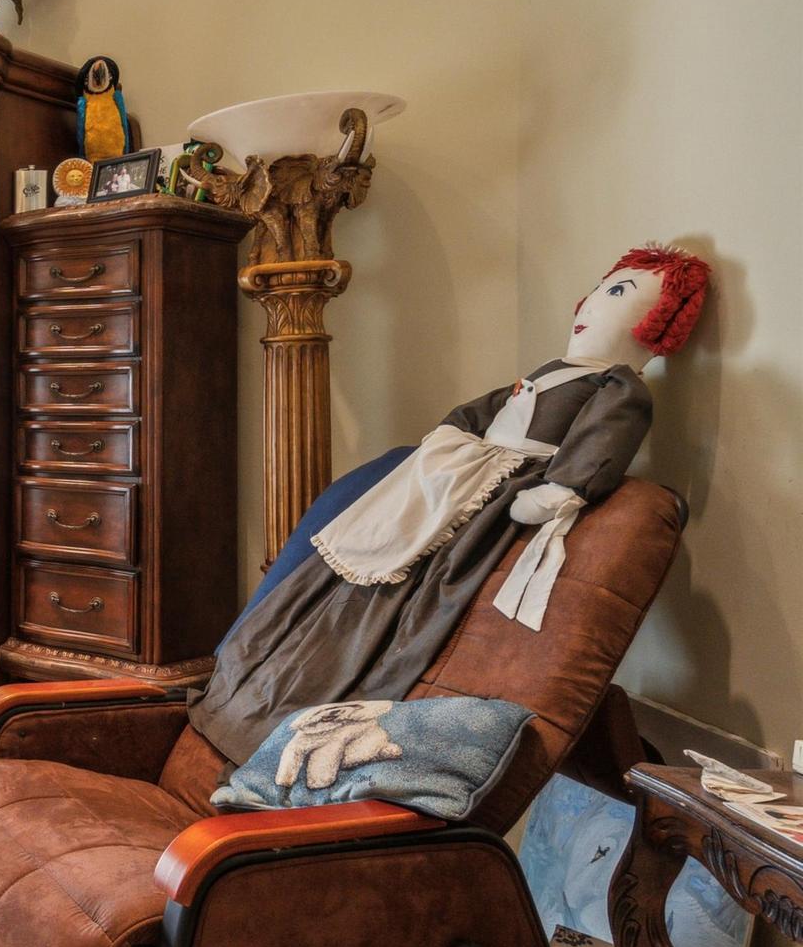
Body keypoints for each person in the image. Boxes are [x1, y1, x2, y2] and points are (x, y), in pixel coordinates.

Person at [191, 245, 711, 763]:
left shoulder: (617, 385)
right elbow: (482, 410)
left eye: (616, 294)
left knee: (418, 574)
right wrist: (450, 436)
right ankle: (255, 681)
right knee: (364, 544)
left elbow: (604, 440)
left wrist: (564, 488)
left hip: (503, 485)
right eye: (599, 290)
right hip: (460, 471)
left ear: (658, 322)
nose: (593, 306)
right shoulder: (551, 369)